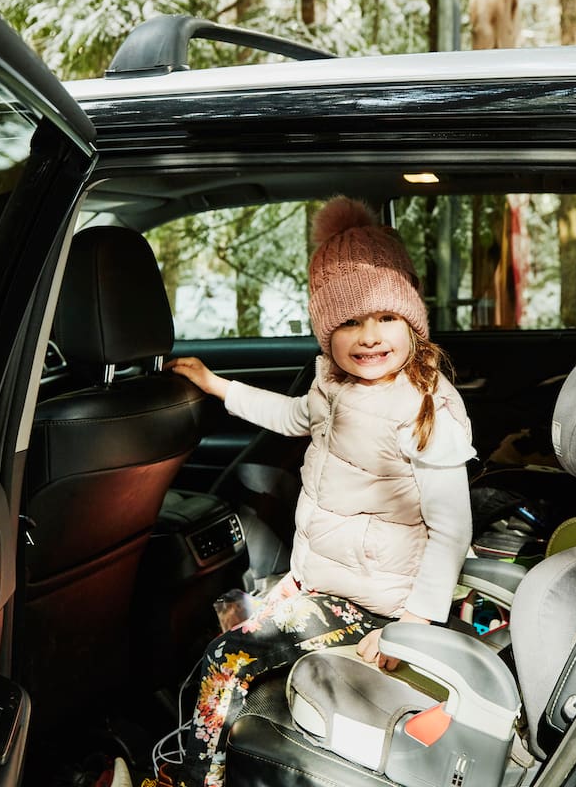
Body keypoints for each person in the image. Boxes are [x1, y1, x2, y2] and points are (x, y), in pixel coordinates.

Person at [159, 196, 475, 787]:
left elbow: (452, 528)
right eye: (348, 323)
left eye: (384, 318)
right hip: (320, 579)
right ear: (327, 333)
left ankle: (194, 779)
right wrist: (216, 384)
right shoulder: (332, 383)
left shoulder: (425, 407)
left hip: (378, 605)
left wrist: (411, 624)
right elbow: (288, 415)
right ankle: (216, 758)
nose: (369, 337)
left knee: (224, 660)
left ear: (412, 320)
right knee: (227, 628)